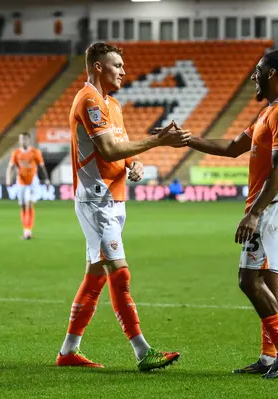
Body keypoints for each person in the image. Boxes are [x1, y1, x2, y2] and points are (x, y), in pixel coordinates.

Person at [55, 42, 191, 371]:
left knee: (96, 278)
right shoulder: (88, 99)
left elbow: (122, 147)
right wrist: (158, 140)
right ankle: (143, 351)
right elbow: (107, 148)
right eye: (117, 65)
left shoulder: (113, 104)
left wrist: (136, 162)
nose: (123, 71)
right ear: (98, 67)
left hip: (116, 200)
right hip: (96, 201)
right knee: (120, 272)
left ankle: (68, 352)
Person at [185, 50, 278, 378]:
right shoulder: (268, 113)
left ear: (272, 73)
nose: (252, 77)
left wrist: (255, 214)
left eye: (258, 71)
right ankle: (270, 357)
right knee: (269, 280)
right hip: (277, 204)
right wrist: (186, 140)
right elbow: (231, 148)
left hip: (274, 205)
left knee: (247, 279)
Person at [6, 132, 50, 240]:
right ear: (19, 140)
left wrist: (47, 180)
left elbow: (42, 167)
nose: (23, 141)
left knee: (30, 203)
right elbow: (10, 167)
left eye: (25, 139)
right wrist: (8, 179)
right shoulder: (16, 153)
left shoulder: (35, 152)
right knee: (23, 206)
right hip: (20, 182)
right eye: (21, 139)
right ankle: (25, 229)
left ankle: (28, 231)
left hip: (33, 182)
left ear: (28, 140)